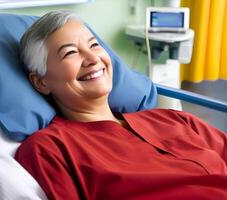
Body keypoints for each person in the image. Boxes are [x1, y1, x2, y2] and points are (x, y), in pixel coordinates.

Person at [15, 10, 227, 200]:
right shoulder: (50, 149)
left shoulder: (175, 119)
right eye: (70, 53)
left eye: (94, 45)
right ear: (41, 82)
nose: (92, 59)